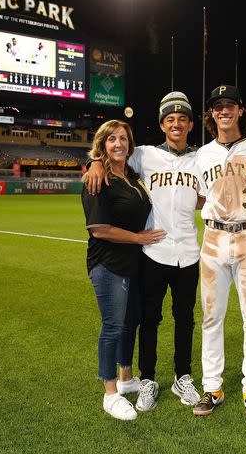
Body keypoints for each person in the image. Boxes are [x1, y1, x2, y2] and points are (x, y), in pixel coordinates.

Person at [85, 92, 203, 412]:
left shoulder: (202, 158)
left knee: (185, 319)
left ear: (190, 124)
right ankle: (148, 380)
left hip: (189, 252)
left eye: (182, 119)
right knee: (149, 319)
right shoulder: (146, 154)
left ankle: (183, 376)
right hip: (154, 251)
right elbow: (114, 152)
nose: (176, 124)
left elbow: (206, 195)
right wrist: (95, 162)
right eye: (170, 119)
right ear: (162, 124)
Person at [192, 85, 246, 420]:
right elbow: (198, 196)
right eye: (216, 106)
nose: (223, 110)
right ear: (211, 114)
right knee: (211, 318)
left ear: (241, 111)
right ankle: (212, 387)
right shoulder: (203, 154)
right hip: (212, 238)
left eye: (229, 105)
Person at [81, 119, 166, 421]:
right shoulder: (97, 178)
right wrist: (139, 238)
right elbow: (99, 230)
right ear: (102, 144)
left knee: (130, 322)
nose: (119, 144)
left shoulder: (131, 175)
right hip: (108, 263)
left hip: (133, 264)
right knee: (113, 326)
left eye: (124, 139)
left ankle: (126, 377)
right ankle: (110, 393)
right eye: (111, 139)